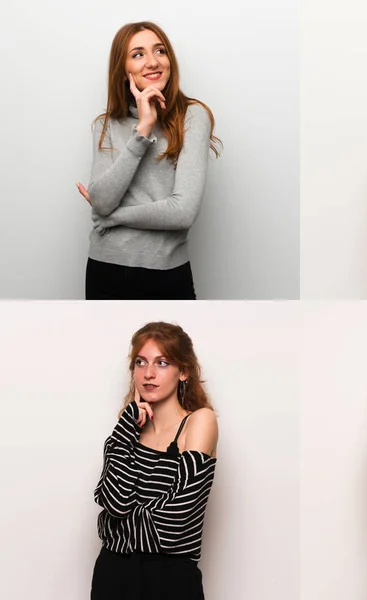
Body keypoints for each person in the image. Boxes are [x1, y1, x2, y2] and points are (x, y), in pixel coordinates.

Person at [77, 21, 221, 300]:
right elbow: (103, 200)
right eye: (138, 54)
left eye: (160, 51)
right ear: (123, 69)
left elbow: (182, 212)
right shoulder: (106, 124)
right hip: (104, 269)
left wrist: (112, 218)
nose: (153, 62)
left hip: (166, 272)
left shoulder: (192, 116)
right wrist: (142, 130)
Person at [91, 322, 218, 600]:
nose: (148, 373)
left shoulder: (199, 422)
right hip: (112, 574)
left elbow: (176, 521)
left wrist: (117, 525)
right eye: (140, 362)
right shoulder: (126, 430)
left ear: (183, 372)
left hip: (171, 579)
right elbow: (115, 501)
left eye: (162, 363)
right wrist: (127, 424)